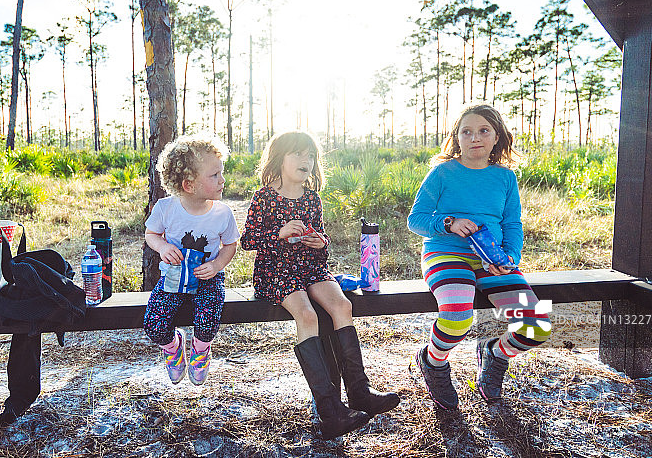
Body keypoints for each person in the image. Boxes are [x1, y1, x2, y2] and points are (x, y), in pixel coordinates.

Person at [241, 131, 400, 440]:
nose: (306, 161)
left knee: (342, 305)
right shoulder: (264, 197)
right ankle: (330, 411)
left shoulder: (312, 198)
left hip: (310, 267)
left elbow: (322, 240)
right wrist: (279, 232)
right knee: (308, 316)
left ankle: (360, 392)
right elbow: (248, 240)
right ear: (279, 158)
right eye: (298, 154)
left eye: (310, 156)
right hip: (276, 271)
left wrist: (319, 241)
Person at [407, 104, 551, 409]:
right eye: (466, 131)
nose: (475, 138)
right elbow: (416, 219)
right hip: (446, 254)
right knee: (458, 315)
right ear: (456, 137)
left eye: (484, 130)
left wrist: (510, 256)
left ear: (496, 136)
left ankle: (495, 353)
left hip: (492, 260)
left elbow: (512, 224)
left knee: (536, 325)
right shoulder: (442, 173)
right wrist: (449, 222)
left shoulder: (505, 178)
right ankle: (433, 361)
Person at [143, 133, 239, 386]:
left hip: (207, 278)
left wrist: (217, 265)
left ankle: (200, 349)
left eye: (221, 172)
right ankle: (174, 348)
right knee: (154, 324)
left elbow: (230, 244)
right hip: (174, 276)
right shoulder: (165, 208)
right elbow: (151, 234)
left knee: (208, 319)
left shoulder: (222, 213)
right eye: (214, 175)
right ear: (189, 185)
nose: (223, 180)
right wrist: (162, 247)